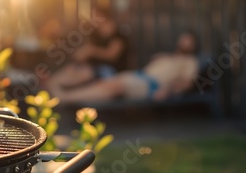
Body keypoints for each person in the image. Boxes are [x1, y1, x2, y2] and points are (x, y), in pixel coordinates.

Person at [49, 30, 200, 103]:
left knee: (114, 87)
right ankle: (64, 94)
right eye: (183, 39)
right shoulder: (166, 56)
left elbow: (187, 83)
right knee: (104, 83)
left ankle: (65, 97)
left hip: (150, 85)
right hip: (136, 75)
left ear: (193, 45)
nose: (184, 42)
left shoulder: (190, 61)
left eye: (188, 40)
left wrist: (167, 89)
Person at [45, 6, 129, 91]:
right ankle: (53, 84)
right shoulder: (95, 34)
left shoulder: (117, 34)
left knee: (86, 72)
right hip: (92, 68)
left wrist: (91, 51)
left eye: (94, 16)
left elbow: (112, 55)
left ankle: (60, 88)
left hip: (111, 72)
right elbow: (84, 53)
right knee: (73, 68)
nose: (91, 19)